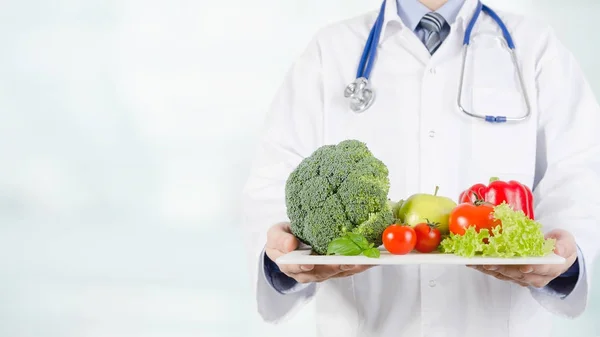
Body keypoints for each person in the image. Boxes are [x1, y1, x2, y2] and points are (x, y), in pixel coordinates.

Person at [241, 0, 600, 336]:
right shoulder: (330, 50)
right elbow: (276, 180)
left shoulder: (535, 48)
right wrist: (279, 259)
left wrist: (565, 258)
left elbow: (579, 175)